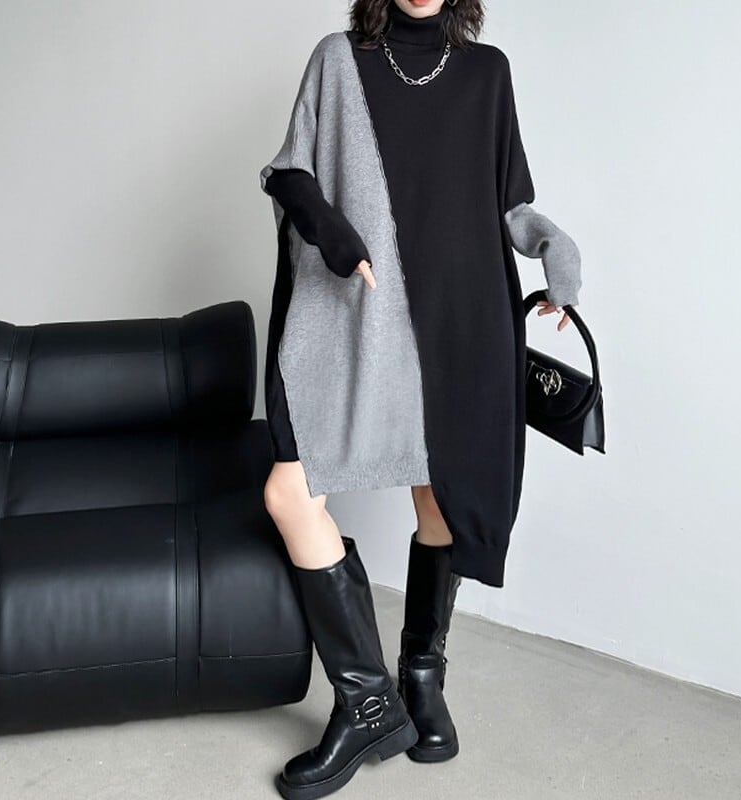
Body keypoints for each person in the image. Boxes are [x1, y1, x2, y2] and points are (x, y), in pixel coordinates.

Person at [258, 1, 582, 797]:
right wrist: (330, 229)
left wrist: (554, 245)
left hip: (457, 323)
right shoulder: (339, 59)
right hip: (356, 320)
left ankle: (421, 681)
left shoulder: (486, 72)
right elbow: (289, 173)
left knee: (439, 498)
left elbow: (511, 206)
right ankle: (369, 702)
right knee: (290, 492)